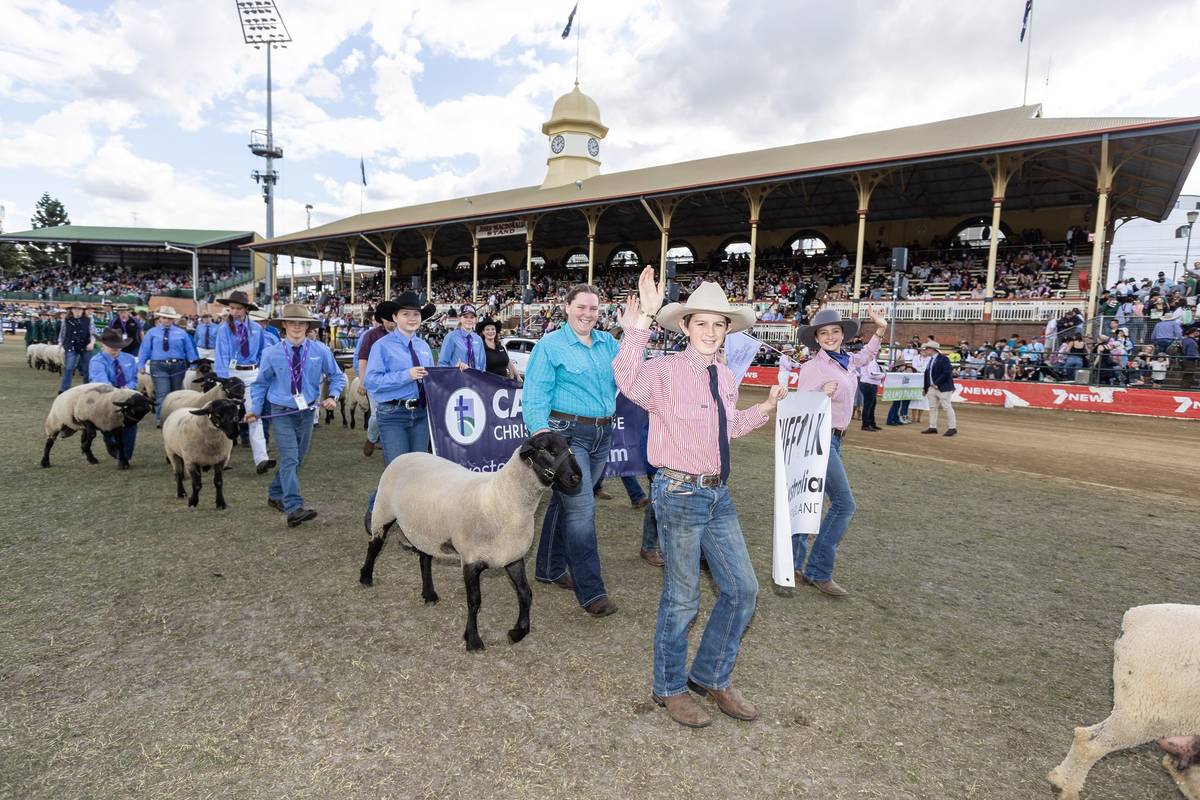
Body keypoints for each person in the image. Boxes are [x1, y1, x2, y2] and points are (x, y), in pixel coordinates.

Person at [615, 268, 786, 728]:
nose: (710, 331)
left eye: (718, 323)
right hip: (678, 492)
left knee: (742, 589)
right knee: (683, 597)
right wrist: (643, 321)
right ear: (686, 327)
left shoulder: (726, 377)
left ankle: (710, 675)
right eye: (701, 323)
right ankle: (669, 688)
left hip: (717, 493)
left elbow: (724, 430)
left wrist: (765, 409)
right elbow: (627, 380)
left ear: (728, 329)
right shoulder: (666, 371)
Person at [526, 283, 620, 618]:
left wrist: (641, 324)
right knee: (582, 510)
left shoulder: (608, 342)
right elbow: (534, 393)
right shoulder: (550, 346)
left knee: (566, 502)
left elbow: (631, 374)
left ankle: (549, 569)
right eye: (581, 307)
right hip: (567, 437)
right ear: (566, 307)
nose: (588, 314)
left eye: (594, 308)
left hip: (602, 434)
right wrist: (542, 435)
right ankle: (592, 592)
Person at [791, 305, 890, 597]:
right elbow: (800, 408)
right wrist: (821, 394)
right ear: (817, 338)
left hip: (834, 439)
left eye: (835, 331)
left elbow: (866, 356)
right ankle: (818, 571)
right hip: (817, 438)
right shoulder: (813, 367)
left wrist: (880, 330)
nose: (831, 336)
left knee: (808, 499)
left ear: (842, 335)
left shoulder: (845, 360)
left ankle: (795, 564)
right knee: (844, 505)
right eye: (825, 333)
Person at [245, 304, 345, 528]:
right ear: (284, 326)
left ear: (308, 326)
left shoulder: (320, 351)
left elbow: (337, 377)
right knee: (290, 457)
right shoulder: (271, 353)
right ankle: (293, 507)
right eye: (292, 323)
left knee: (298, 458)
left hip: (308, 411)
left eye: (301, 323)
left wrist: (334, 396)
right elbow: (260, 385)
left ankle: (275, 492)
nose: (297, 327)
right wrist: (256, 410)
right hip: (281, 411)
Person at [363, 292, 436, 521]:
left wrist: (454, 372)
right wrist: (406, 375)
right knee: (396, 471)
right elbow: (371, 381)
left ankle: (409, 522)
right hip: (393, 414)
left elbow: (433, 378)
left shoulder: (423, 347)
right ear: (395, 317)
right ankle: (375, 508)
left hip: (420, 414)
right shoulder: (381, 346)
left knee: (417, 471)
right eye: (406, 314)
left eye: (416, 314)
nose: (412, 318)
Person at [213, 290, 274, 474]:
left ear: (246, 309)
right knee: (225, 416)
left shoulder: (257, 329)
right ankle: (221, 458)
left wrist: (265, 371)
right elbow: (221, 353)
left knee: (254, 414)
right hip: (232, 374)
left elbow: (265, 352)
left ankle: (261, 458)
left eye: (238, 308)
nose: (235, 312)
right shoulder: (224, 329)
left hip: (252, 374)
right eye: (231, 308)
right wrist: (224, 379)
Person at [137, 306, 199, 425]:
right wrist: (141, 364)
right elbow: (144, 349)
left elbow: (189, 349)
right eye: (165, 318)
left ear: (174, 320)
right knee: (162, 393)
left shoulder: (182, 333)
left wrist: (194, 363)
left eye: (170, 318)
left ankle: (176, 419)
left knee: (177, 394)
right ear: (159, 318)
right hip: (158, 366)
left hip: (178, 366)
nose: (167, 320)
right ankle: (161, 419)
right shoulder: (151, 333)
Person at [88, 328, 140, 468]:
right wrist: (118, 392)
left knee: (131, 423)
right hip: (105, 399)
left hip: (127, 397)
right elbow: (101, 382)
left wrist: (129, 387)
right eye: (112, 347)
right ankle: (110, 441)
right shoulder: (97, 361)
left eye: (119, 347)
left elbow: (135, 379)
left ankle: (124, 456)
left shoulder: (129, 359)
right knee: (109, 427)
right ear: (103, 345)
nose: (116, 349)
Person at [355, 301, 399, 456]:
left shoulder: (402, 335)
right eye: (389, 320)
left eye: (393, 319)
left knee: (395, 414)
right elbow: (362, 359)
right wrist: (362, 380)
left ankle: (390, 443)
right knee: (376, 414)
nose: (392, 323)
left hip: (395, 382)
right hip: (375, 382)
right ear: (383, 320)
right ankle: (372, 438)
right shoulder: (371, 336)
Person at [920, 341, 957, 436]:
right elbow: (927, 375)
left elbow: (947, 373)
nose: (926, 350)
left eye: (927, 349)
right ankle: (932, 426)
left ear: (932, 349)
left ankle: (952, 428)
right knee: (933, 407)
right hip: (932, 387)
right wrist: (926, 388)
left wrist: (936, 383)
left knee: (947, 407)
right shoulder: (931, 360)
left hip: (942, 387)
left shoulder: (944, 359)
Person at [57, 304, 95, 394]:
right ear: (72, 310)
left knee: (87, 368)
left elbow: (92, 333)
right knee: (69, 368)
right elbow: (62, 333)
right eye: (75, 309)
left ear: (83, 311)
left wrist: (91, 343)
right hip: (71, 346)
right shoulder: (66, 320)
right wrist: (60, 344)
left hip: (85, 346)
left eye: (80, 309)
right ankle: (64, 389)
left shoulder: (89, 320)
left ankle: (88, 388)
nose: (78, 311)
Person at [438, 303, 486, 371]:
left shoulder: (478, 339)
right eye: (465, 317)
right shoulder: (451, 337)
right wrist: (455, 369)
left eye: (472, 317)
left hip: (475, 379)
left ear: (476, 319)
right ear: (459, 318)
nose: (469, 320)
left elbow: (482, 364)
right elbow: (442, 363)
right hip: (457, 379)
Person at [477, 317, 521, 382]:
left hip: (503, 384)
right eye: (487, 329)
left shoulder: (501, 346)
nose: (491, 331)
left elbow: (508, 362)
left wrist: (517, 376)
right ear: (483, 332)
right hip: (488, 385)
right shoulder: (480, 348)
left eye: (493, 329)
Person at [856, 351, 884, 431]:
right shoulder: (870, 361)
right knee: (869, 405)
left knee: (871, 404)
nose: (879, 353)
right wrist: (883, 375)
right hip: (868, 384)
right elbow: (871, 374)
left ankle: (871, 423)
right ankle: (866, 424)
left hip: (868, 383)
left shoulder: (870, 360)